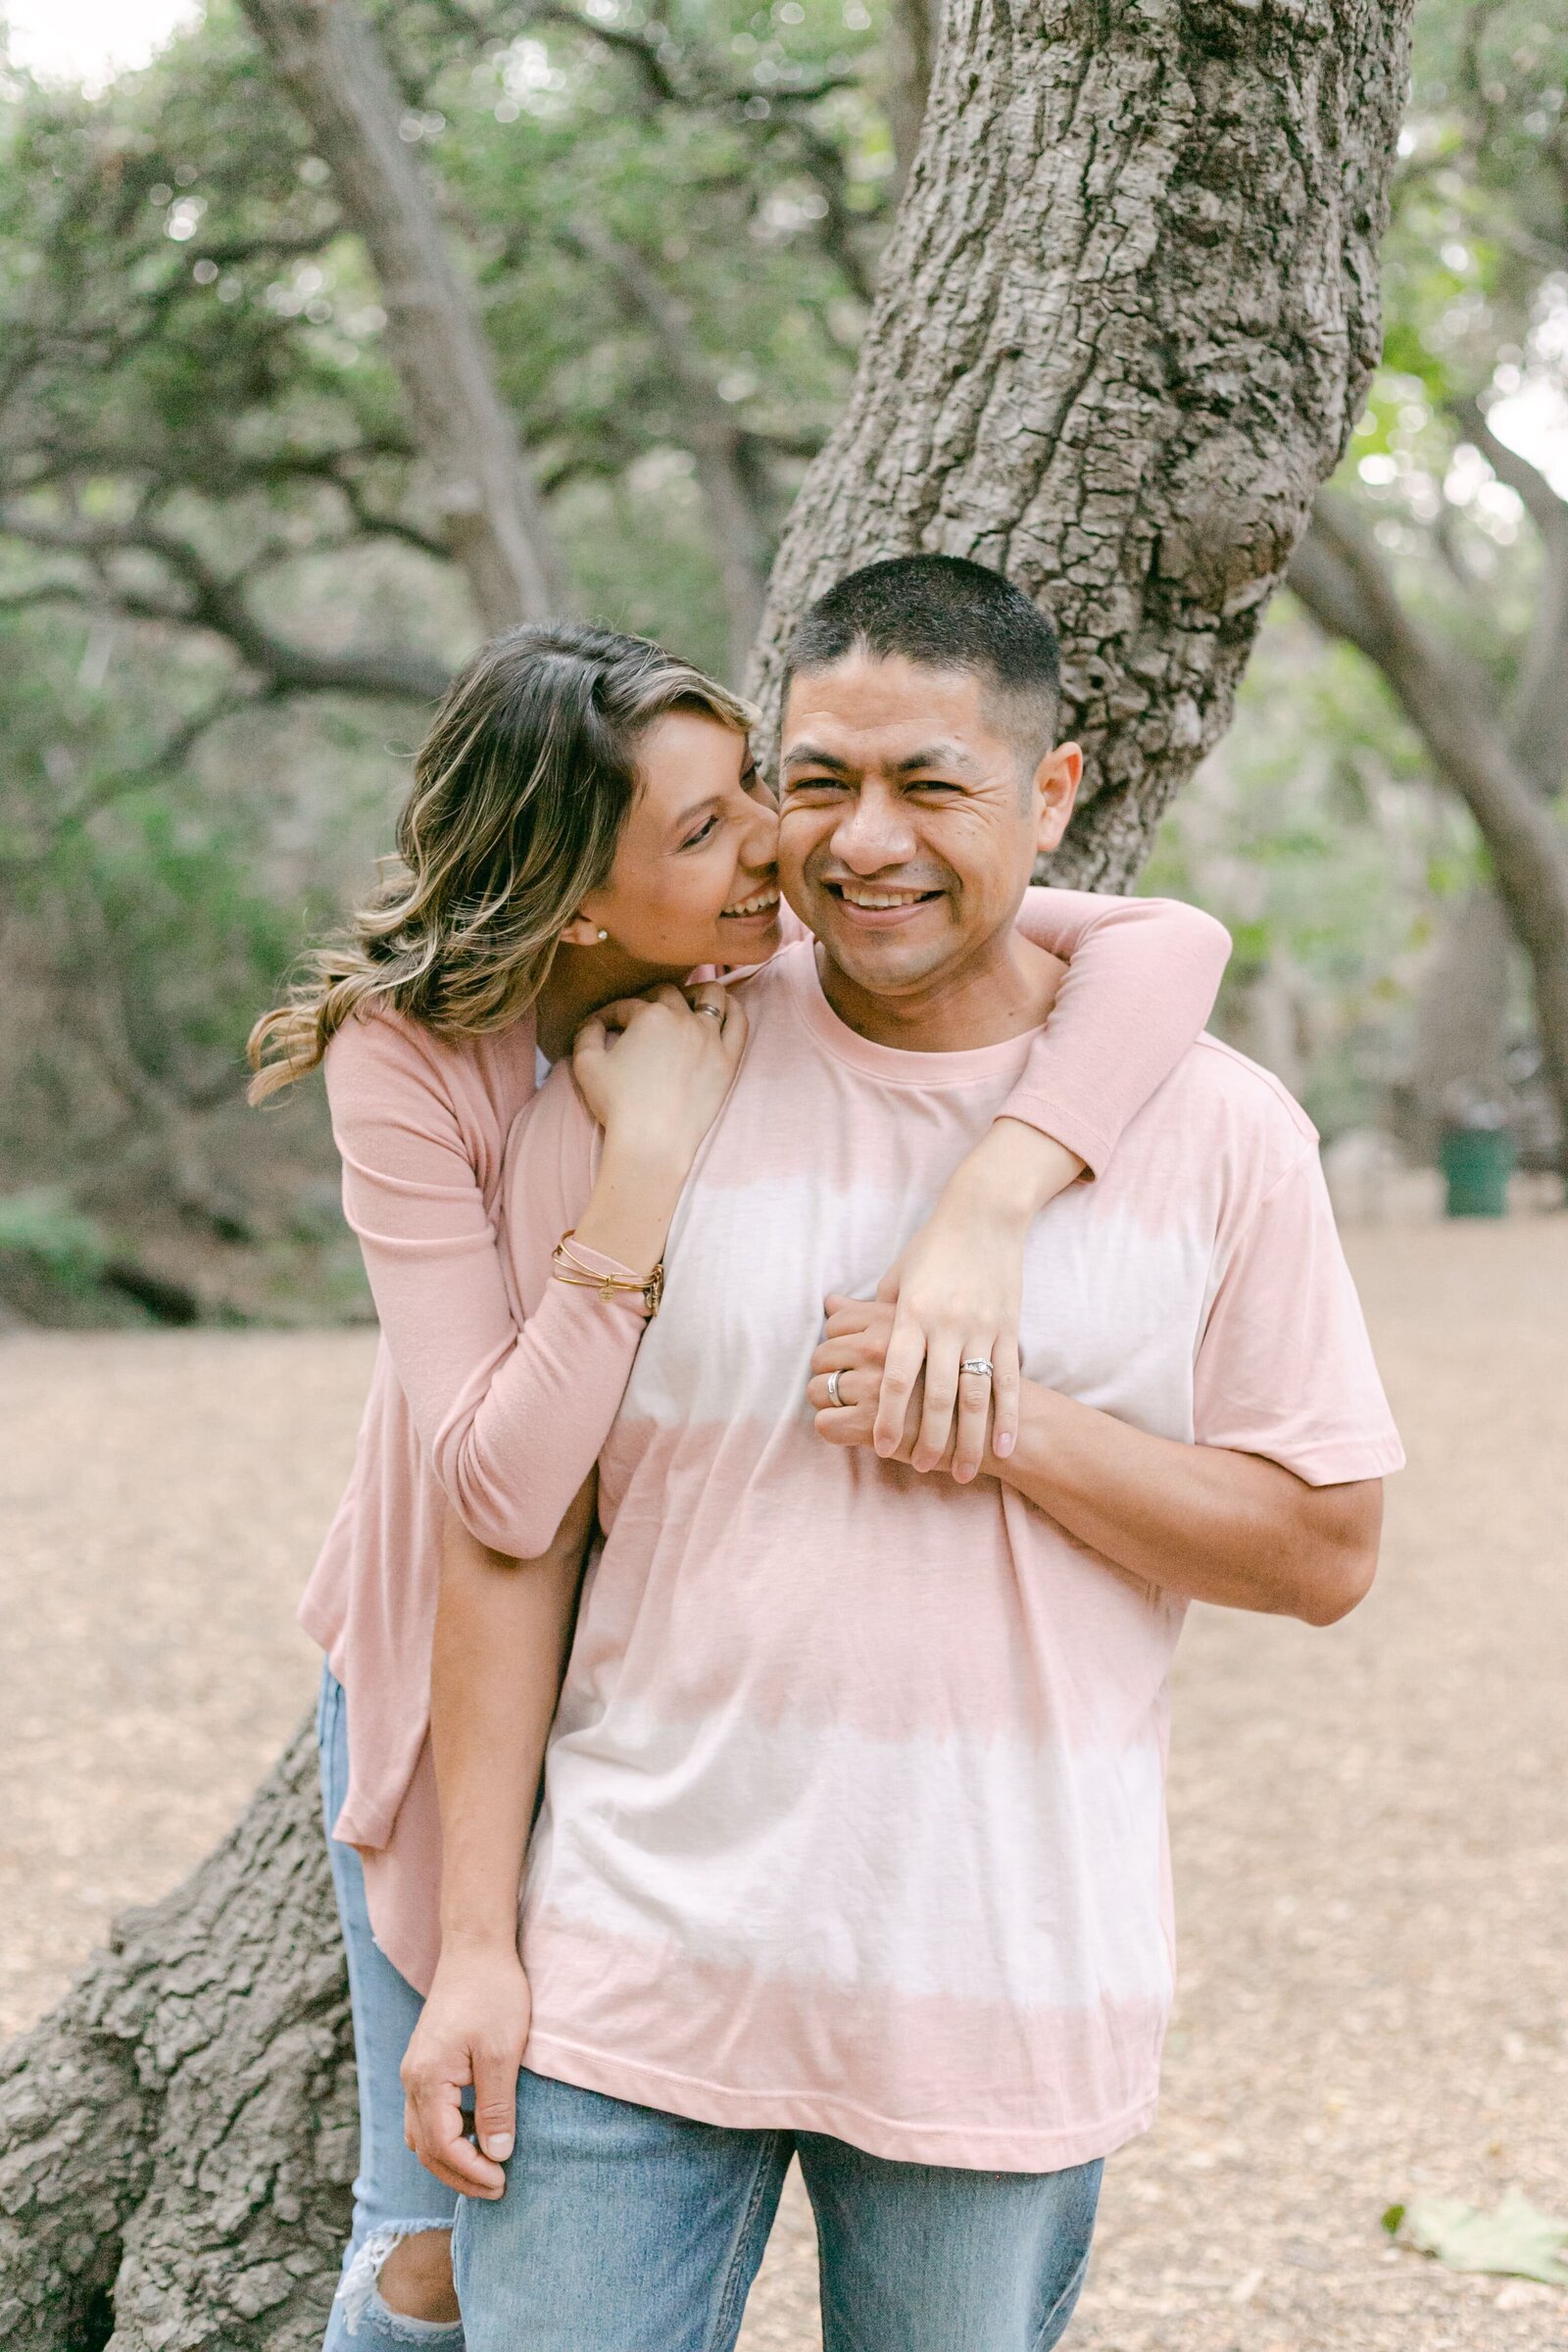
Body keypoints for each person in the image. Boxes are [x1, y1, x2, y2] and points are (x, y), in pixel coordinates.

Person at [404, 558, 1404, 2352]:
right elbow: (510, 1537)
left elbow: (1325, 1548)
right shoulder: (652, 1072)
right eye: (818, 780)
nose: (864, 843)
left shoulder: (1224, 1133)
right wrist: (477, 1946)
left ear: (1057, 792)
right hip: (625, 1979)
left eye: (931, 786)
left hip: (998, 1985)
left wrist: (1010, 1427)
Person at [247, 619, 1233, 2346]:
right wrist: (636, 1164)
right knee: (435, 2231)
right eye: (708, 830)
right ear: (575, 899)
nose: (787, 843)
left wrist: (996, 1195)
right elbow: (497, 1485)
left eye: (747, 792)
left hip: (663, 1642)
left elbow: (1175, 943)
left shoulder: (738, 964)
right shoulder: (410, 1060)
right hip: (445, 1639)